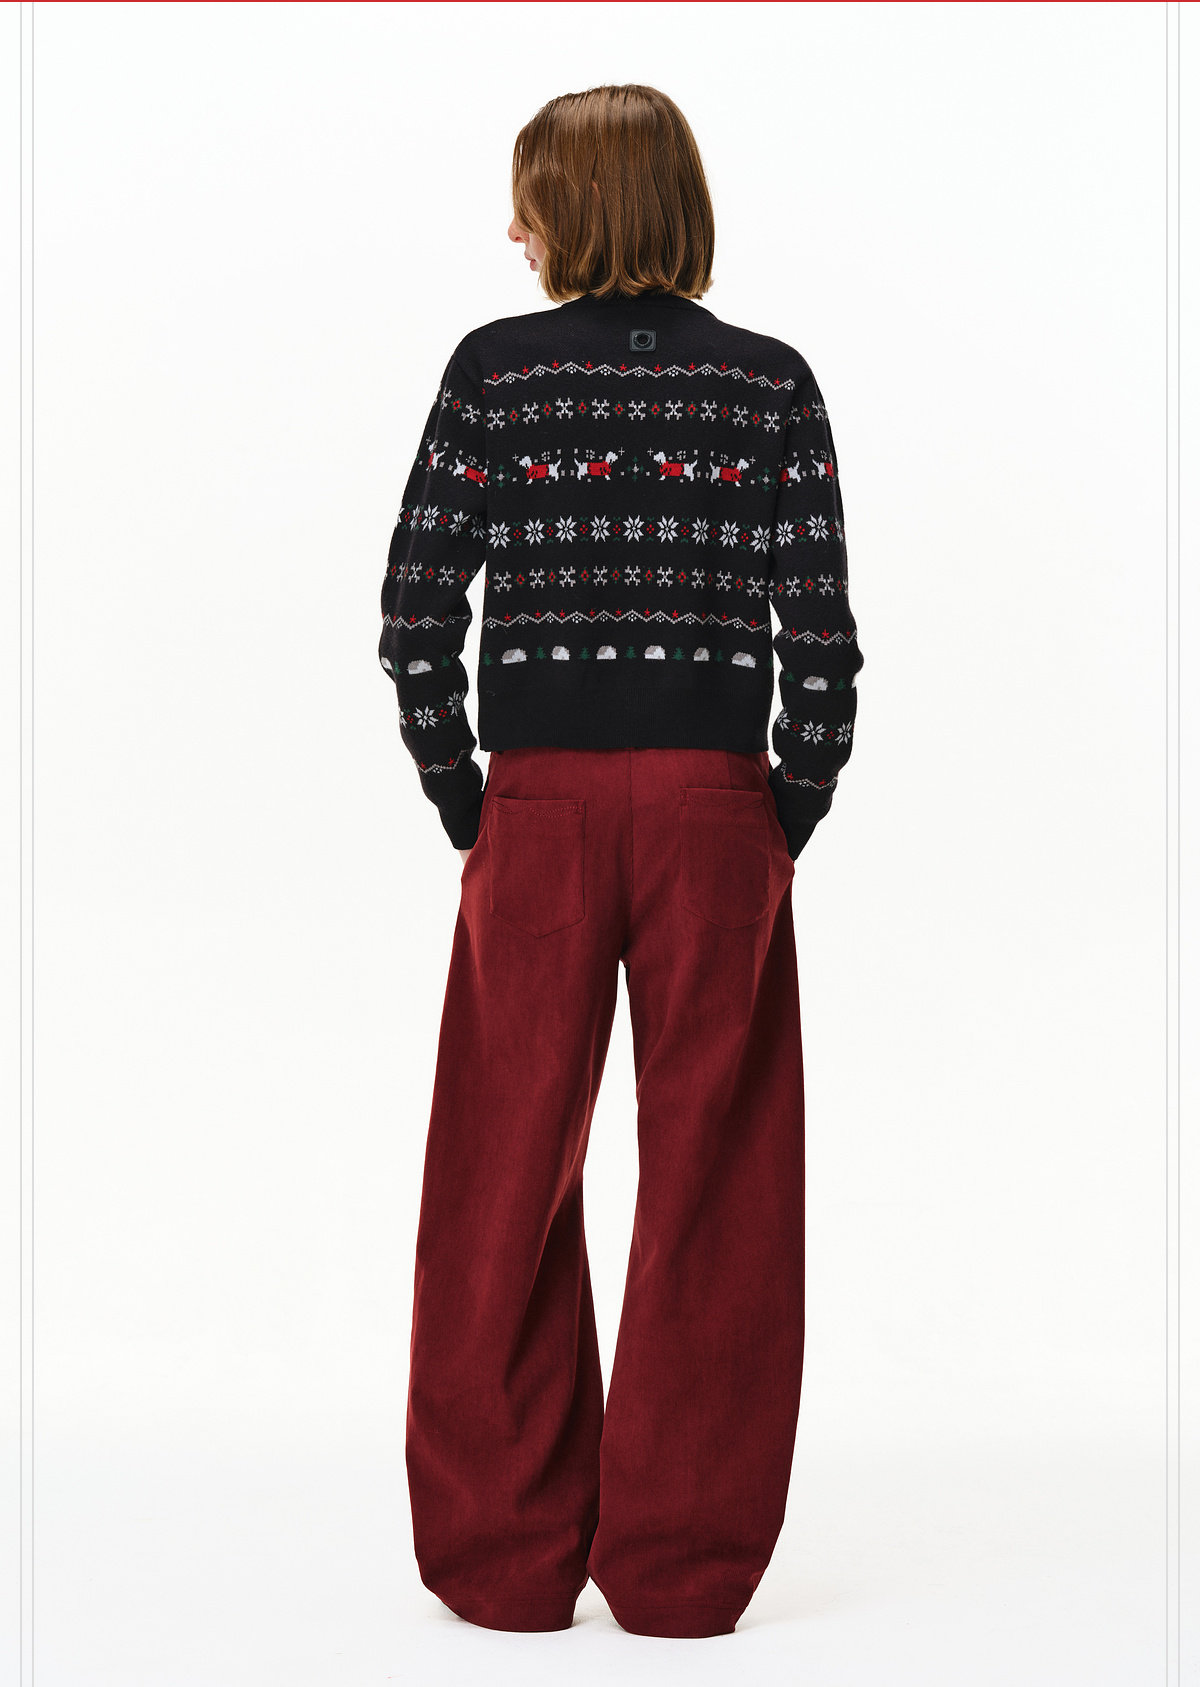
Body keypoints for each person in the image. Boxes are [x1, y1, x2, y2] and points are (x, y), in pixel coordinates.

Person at [377, 83, 863, 1641]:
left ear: (576, 212)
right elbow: (824, 646)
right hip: (718, 813)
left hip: (541, 812)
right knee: (723, 1175)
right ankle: (683, 1569)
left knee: (498, 1172)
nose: (511, 231)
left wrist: (473, 803)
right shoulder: (770, 386)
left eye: (529, 201)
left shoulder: (495, 376)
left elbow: (413, 616)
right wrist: (779, 812)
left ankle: (503, 1559)